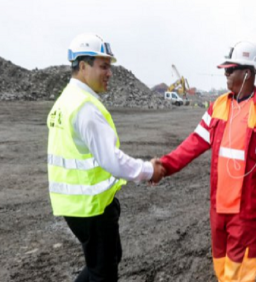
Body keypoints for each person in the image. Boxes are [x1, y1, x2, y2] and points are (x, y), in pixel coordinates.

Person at [159, 41, 256, 282]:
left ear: (247, 72)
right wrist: (165, 166)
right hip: (219, 207)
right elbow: (194, 142)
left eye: (230, 70)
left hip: (248, 212)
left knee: (240, 272)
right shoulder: (218, 106)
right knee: (221, 265)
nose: (225, 74)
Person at [46, 33, 164, 282]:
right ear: (82, 66)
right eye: (103, 66)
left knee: (102, 262)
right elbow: (111, 160)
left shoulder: (66, 99)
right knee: (103, 271)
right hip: (91, 208)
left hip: (76, 205)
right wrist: (148, 170)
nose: (109, 73)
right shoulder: (85, 107)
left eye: (109, 66)